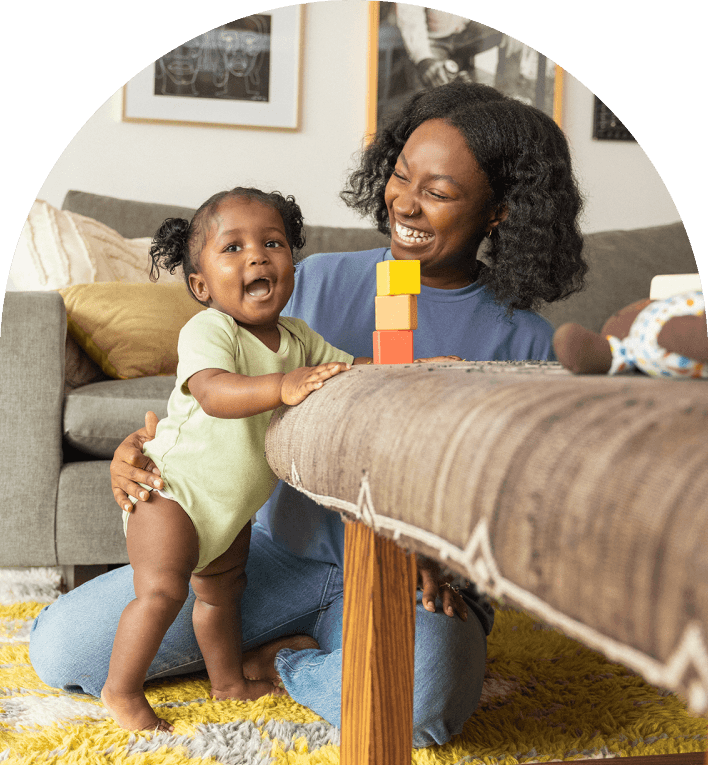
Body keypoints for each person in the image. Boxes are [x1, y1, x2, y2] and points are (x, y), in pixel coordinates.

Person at [30, 81, 587, 748]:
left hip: (414, 580)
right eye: (401, 175)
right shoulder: (312, 280)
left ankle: (279, 661)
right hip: (273, 552)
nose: (405, 202)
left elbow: (521, 504)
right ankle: (277, 649)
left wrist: (441, 555)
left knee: (423, 699)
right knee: (62, 650)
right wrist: (137, 450)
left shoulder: (524, 344)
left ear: (499, 211)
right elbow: (214, 392)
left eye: (437, 191)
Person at [100, 187, 374, 732]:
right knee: (161, 593)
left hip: (232, 509)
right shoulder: (210, 330)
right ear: (200, 285)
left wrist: (412, 365)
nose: (256, 255)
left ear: (291, 263)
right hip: (170, 494)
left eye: (273, 242)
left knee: (222, 597)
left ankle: (228, 683)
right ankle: (121, 690)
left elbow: (352, 370)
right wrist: (283, 386)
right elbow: (214, 394)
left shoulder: (297, 337)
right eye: (233, 248)